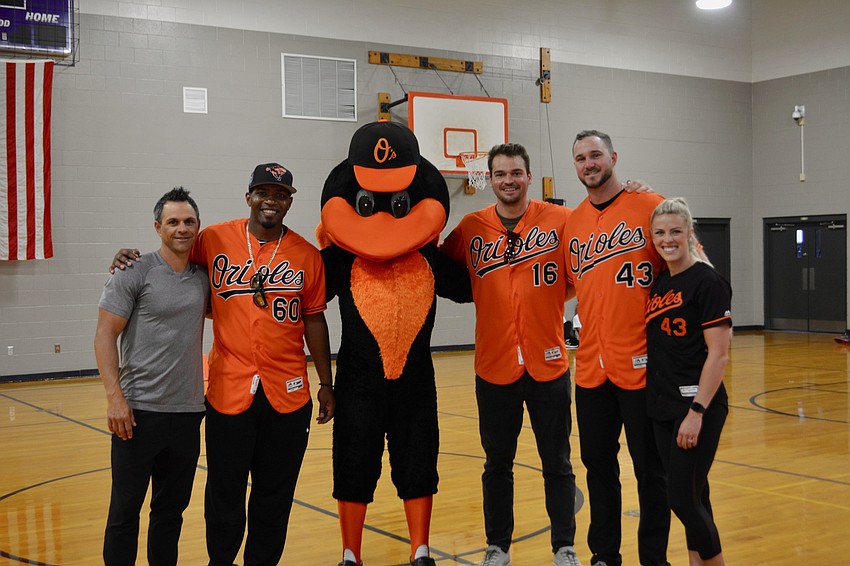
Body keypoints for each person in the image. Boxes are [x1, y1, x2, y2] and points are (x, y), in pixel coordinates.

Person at [111, 163, 335, 566]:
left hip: (288, 394)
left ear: (289, 201)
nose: (271, 200)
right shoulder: (213, 239)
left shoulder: (307, 255)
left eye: (280, 194)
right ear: (248, 197)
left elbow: (314, 319)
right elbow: (171, 253)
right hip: (228, 391)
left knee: (274, 493)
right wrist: (131, 257)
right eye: (263, 192)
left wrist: (326, 382)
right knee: (224, 491)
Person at [441, 143, 582, 566]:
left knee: (557, 462)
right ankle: (498, 546)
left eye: (516, 173)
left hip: (549, 364)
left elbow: (582, 267)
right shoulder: (470, 227)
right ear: (489, 178)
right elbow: (440, 270)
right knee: (496, 463)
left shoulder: (560, 220)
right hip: (494, 365)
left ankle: (564, 547)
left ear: (529, 175)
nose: (508, 180)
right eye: (500, 173)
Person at [565, 130, 671, 566]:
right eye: (580, 158)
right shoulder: (572, 222)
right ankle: (605, 554)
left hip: (643, 368)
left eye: (595, 155)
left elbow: (691, 270)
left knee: (651, 473)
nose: (589, 164)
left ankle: (654, 558)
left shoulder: (651, 206)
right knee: (598, 469)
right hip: (591, 369)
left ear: (613, 157)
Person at [95, 187, 209, 565]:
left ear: (198, 226)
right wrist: (115, 398)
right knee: (124, 514)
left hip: (188, 413)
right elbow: (104, 335)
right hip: (137, 415)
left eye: (188, 221)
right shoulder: (134, 271)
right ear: (157, 226)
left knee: (169, 515)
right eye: (173, 222)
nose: (181, 228)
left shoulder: (204, 278)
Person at [645, 198, 732, 566]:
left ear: (689, 233)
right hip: (663, 405)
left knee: (680, 498)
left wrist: (697, 411)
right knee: (696, 494)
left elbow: (719, 354)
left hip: (695, 406)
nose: (668, 239)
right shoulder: (662, 280)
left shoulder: (708, 282)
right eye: (660, 232)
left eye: (676, 232)